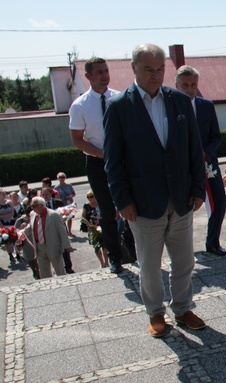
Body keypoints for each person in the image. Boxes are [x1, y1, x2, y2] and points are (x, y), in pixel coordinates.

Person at [104, 43, 207, 338]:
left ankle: (183, 308)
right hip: (143, 203)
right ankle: (156, 313)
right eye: (148, 69)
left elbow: (193, 147)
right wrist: (122, 200)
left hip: (181, 198)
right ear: (134, 68)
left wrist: (198, 188)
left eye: (160, 69)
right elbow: (113, 160)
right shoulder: (119, 107)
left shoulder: (178, 100)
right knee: (149, 265)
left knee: (185, 260)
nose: (155, 75)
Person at [69, 56, 124, 274]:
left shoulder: (120, 98)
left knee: (134, 202)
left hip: (122, 160)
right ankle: (115, 258)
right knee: (108, 210)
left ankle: (138, 249)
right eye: (99, 72)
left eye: (106, 70)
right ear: (89, 76)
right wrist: (102, 154)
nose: (104, 75)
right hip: (97, 163)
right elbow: (77, 139)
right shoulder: (80, 106)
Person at [174, 65, 226, 256]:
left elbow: (216, 137)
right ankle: (183, 250)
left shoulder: (207, 106)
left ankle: (212, 242)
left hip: (207, 163)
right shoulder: (170, 107)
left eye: (193, 85)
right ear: (176, 85)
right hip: (183, 166)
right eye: (185, 85)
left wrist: (205, 152)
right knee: (184, 207)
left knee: (219, 201)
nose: (189, 89)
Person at [23, 196, 72, 279]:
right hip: (39, 247)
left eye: (33, 206)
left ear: (41, 206)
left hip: (52, 246)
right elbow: (30, 227)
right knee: (44, 272)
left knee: (59, 271)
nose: (32, 208)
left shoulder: (54, 215)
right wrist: (20, 233)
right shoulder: (33, 214)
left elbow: (62, 231)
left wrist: (66, 245)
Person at [80, 190, 109, 268]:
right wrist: (89, 224)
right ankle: (102, 263)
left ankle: (107, 262)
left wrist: (100, 222)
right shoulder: (86, 206)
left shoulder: (99, 204)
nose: (90, 198)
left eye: (91, 196)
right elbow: (83, 217)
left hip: (101, 227)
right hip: (92, 229)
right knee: (96, 246)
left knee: (104, 245)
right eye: (88, 197)